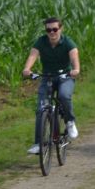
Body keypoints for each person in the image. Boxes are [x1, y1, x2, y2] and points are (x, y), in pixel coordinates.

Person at [22, 17, 81, 155]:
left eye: (55, 29)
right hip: (47, 76)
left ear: (61, 29)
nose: (52, 32)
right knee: (41, 109)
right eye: (48, 30)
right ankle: (38, 144)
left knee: (64, 96)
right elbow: (33, 55)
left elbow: (74, 56)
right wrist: (27, 69)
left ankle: (70, 121)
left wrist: (76, 69)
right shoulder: (41, 41)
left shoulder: (68, 42)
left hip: (65, 77)